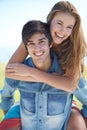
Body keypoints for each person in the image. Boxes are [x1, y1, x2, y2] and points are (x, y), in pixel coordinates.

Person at [1, 1, 87, 130]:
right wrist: (52, 79)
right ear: (49, 21)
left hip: (61, 104)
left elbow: (70, 85)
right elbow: (10, 72)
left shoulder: (72, 50)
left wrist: (31, 73)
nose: (63, 31)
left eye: (69, 27)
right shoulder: (37, 37)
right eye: (59, 23)